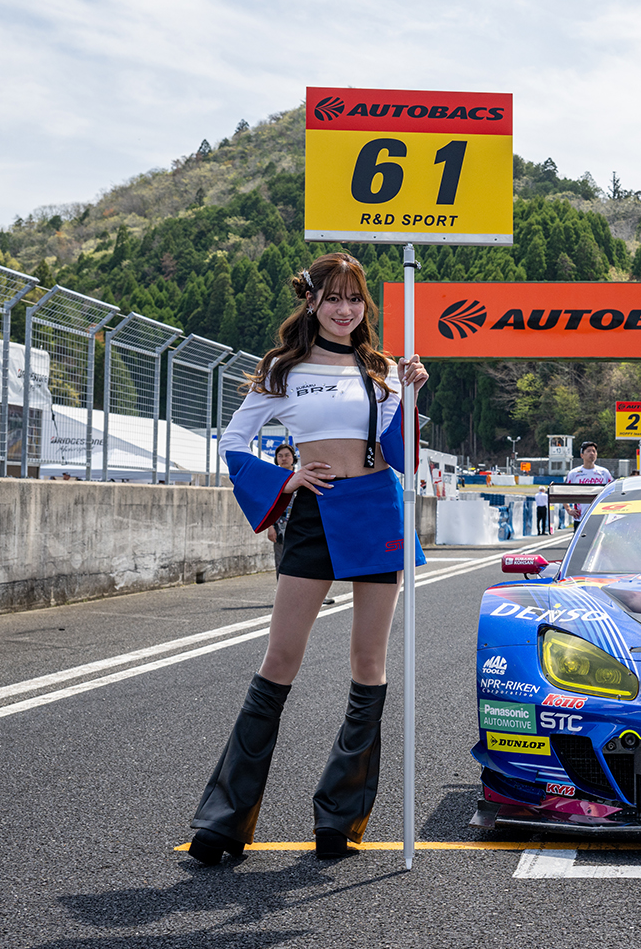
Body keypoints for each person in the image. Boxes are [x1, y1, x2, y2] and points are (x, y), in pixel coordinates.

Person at [188, 252, 429, 864]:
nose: (345, 309)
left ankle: (339, 818)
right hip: (315, 514)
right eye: (333, 297)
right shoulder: (283, 369)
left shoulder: (381, 370)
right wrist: (286, 481)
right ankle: (224, 819)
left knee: (368, 660)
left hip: (375, 510)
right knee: (280, 657)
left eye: (355, 298)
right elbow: (233, 442)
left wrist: (409, 396)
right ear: (312, 301)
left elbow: (402, 457)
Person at [564, 440, 614, 527]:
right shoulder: (574, 473)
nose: (592, 453)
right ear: (582, 455)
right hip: (580, 518)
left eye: (594, 451)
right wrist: (568, 509)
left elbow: (613, 491)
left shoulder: (604, 472)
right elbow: (563, 492)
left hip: (600, 518)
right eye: (588, 451)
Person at [265, 444, 297, 573]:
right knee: (281, 563)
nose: (284, 458)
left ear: (293, 458)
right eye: (280, 456)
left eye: (287, 455)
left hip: (299, 526)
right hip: (279, 528)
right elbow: (267, 505)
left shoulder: (301, 477)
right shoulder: (272, 480)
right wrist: (270, 527)